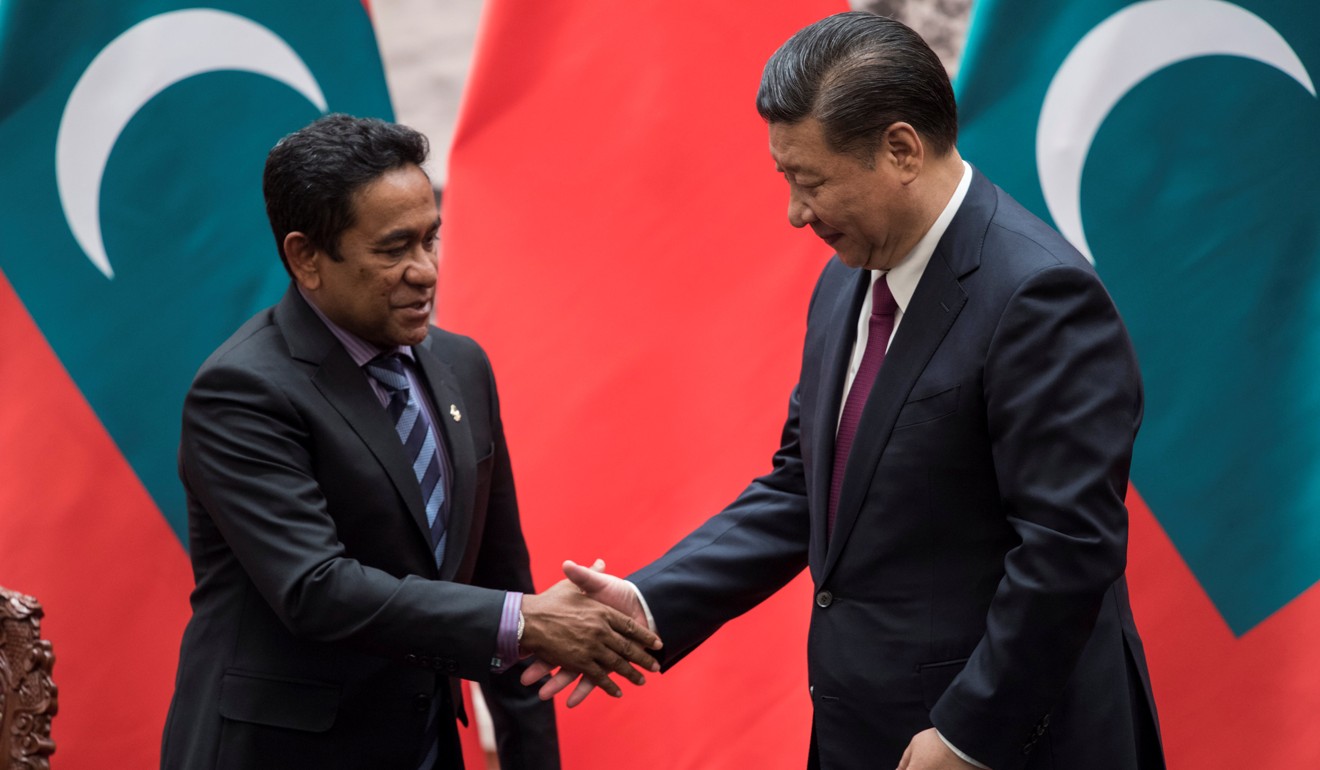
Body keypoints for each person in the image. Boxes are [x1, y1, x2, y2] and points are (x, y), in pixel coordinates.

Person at [526, 12, 1164, 770]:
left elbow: (1067, 553)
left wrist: (969, 733)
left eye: (811, 182)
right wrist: (649, 600)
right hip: (866, 732)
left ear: (900, 149)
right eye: (785, 179)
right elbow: (806, 486)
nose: (797, 214)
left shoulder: (1039, 296)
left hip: (999, 741)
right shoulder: (848, 281)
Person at [160, 114, 660, 770]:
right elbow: (316, 588)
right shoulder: (243, 390)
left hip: (422, 747)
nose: (425, 272)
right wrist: (524, 621)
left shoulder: (463, 366)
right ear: (306, 257)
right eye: (395, 249)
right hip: (280, 751)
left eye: (431, 240)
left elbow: (502, 580)